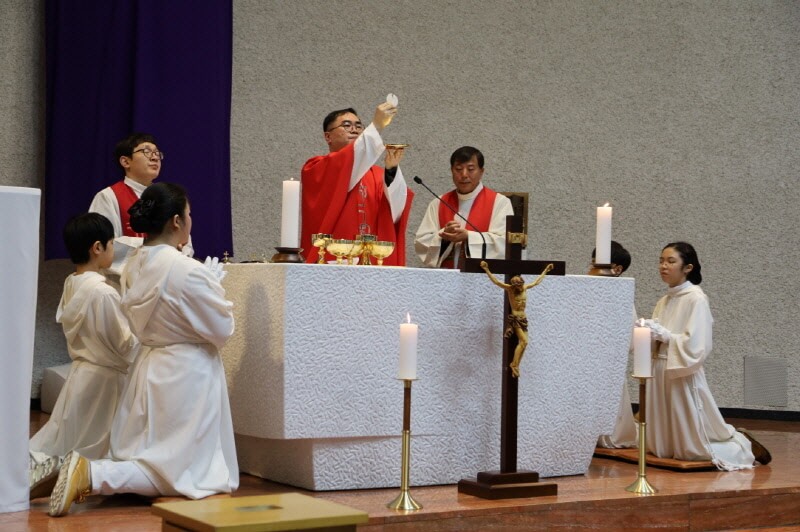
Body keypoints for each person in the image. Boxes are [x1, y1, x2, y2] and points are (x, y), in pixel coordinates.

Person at [49, 183, 237, 517]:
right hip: (185, 372)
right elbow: (222, 330)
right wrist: (215, 290)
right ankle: (92, 474)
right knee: (179, 469)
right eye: (189, 214)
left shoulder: (133, 263)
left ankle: (88, 472)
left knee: (149, 452)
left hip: (148, 364)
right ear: (176, 221)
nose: (191, 220)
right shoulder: (186, 269)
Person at [29, 213, 136, 498]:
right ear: (97, 247)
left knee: (66, 436)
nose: (114, 250)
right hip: (105, 378)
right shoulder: (103, 293)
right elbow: (125, 343)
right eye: (111, 244)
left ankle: (40, 478)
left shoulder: (72, 282)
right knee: (90, 444)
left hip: (82, 373)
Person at [642, 242, 770, 469]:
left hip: (680, 369)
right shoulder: (664, 300)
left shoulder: (696, 298)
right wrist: (647, 333)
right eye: (661, 261)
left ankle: (743, 447)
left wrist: (666, 335)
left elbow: (697, 343)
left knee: (691, 449)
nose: (663, 266)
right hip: (661, 367)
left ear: (687, 267)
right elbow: (659, 337)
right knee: (663, 446)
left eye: (671, 261)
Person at [301, 101, 414, 265]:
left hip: (372, 260)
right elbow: (347, 161)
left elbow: (396, 212)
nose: (354, 130)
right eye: (346, 125)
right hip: (334, 258)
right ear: (328, 136)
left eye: (359, 126)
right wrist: (377, 125)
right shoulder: (317, 167)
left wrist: (391, 172)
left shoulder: (378, 175)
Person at [89, 133, 192, 285]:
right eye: (146, 151)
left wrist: (178, 253)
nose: (155, 157)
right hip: (121, 286)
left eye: (157, 153)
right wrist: (157, 247)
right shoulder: (108, 196)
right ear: (125, 161)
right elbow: (100, 244)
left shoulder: (168, 197)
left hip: (165, 282)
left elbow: (185, 242)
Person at [415, 146, 514, 268]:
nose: (464, 174)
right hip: (445, 277)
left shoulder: (500, 203)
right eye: (458, 169)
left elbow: (505, 244)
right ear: (451, 171)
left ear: (481, 172)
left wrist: (469, 237)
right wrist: (444, 236)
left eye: (470, 169)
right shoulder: (438, 203)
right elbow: (422, 242)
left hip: (482, 276)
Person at [591, 241, 638, 449]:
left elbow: (629, 336)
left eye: (599, 265)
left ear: (617, 269)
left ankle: (613, 434)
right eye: (592, 263)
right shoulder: (588, 291)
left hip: (609, 360)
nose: (593, 269)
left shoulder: (622, 297)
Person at [479, 260, 554, 378]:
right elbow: (496, 282)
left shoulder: (525, 288)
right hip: (515, 319)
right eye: (517, 285)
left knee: (525, 343)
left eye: (520, 284)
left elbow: (536, 282)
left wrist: (546, 270)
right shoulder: (510, 289)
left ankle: (516, 364)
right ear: (513, 285)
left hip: (523, 319)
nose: (519, 286)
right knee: (524, 341)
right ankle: (514, 365)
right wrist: (486, 269)